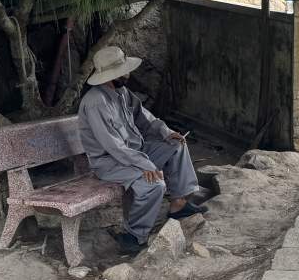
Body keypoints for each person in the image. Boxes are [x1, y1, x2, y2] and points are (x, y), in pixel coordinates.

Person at [78, 45, 207, 253]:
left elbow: (144, 117)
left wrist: (166, 132)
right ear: (112, 75)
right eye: (124, 71)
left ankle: (179, 204)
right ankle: (133, 237)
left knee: (177, 145)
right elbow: (114, 147)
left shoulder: (121, 92)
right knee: (154, 184)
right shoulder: (95, 103)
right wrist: (145, 164)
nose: (128, 74)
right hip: (110, 162)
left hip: (136, 152)